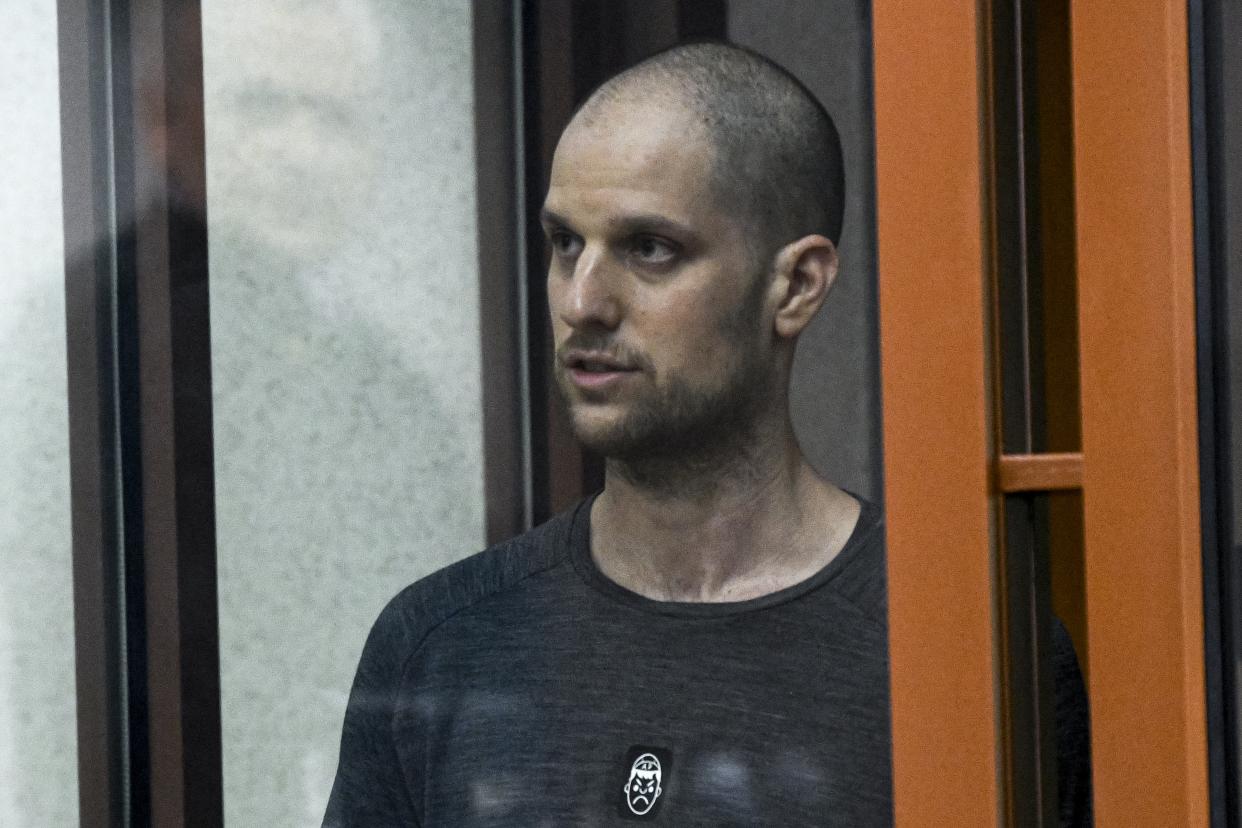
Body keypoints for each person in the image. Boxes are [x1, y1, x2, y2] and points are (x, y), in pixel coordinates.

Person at [323, 41, 1091, 826]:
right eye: (565, 244)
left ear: (794, 285)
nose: (582, 301)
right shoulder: (442, 643)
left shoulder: (965, 653)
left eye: (649, 249)